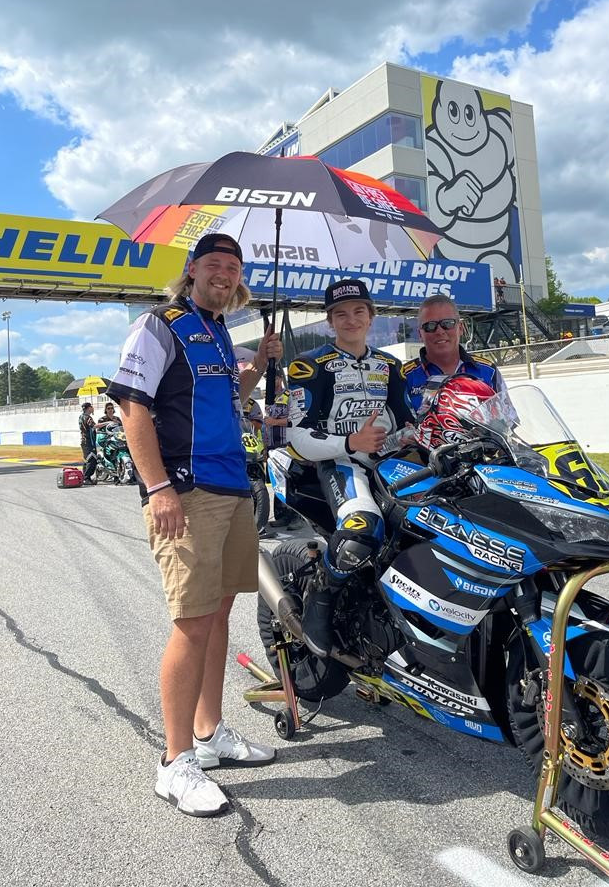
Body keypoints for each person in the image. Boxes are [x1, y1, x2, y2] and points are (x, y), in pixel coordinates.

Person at [107, 232, 282, 818]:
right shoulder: (161, 323)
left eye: (233, 267)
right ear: (192, 269)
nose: (225, 274)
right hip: (187, 491)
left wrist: (258, 367)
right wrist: (158, 488)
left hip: (232, 486)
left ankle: (209, 736)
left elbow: (230, 399)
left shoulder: (217, 330)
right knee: (191, 623)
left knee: (220, 613)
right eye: (215, 264)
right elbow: (131, 404)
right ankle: (174, 761)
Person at [287, 278, 413, 656]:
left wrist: (406, 437)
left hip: (390, 464)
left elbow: (406, 421)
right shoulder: (309, 366)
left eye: (359, 311)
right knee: (361, 533)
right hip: (337, 461)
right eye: (340, 314)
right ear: (330, 321)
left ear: (371, 316)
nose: (351, 319)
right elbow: (297, 436)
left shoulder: (391, 366)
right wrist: (350, 443)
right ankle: (320, 601)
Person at [402, 293, 506, 416]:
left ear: (460, 327)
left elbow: (509, 420)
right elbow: (400, 428)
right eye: (430, 326)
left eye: (448, 323)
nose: (440, 331)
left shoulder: (488, 370)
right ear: (420, 334)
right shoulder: (404, 376)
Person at [264, 372, 300, 531]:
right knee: (277, 482)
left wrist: (275, 422)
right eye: (267, 379)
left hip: (286, 445)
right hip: (272, 446)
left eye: (273, 378)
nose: (270, 381)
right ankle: (281, 516)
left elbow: (295, 419)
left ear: (279, 378)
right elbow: (266, 424)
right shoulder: (268, 398)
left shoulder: (288, 395)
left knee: (291, 482)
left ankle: (296, 518)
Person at [78, 402, 97, 482]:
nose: (92, 408)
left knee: (87, 459)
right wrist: (107, 423)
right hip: (88, 441)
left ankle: (85, 477)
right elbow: (94, 426)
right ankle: (86, 478)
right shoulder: (87, 417)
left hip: (84, 441)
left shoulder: (81, 416)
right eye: (91, 407)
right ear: (88, 408)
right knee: (92, 459)